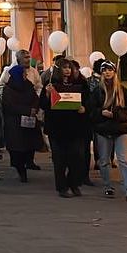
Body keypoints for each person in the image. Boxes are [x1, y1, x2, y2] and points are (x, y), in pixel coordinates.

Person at [89, 61, 127, 201]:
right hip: (103, 129)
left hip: (120, 129)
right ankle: (108, 186)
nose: (107, 72)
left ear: (115, 72)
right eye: (104, 70)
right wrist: (101, 113)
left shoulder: (123, 91)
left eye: (110, 70)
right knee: (104, 160)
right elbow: (90, 111)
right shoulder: (97, 92)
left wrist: (116, 115)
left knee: (123, 159)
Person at [41, 57, 90, 198]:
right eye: (65, 67)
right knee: (60, 159)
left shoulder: (80, 83)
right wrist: (47, 94)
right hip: (57, 127)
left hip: (75, 126)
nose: (68, 70)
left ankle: (74, 184)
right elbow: (43, 104)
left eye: (69, 67)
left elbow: (88, 100)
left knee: (78, 157)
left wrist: (84, 108)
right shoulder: (51, 84)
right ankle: (62, 187)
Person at [1, 64, 41, 182]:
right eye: (23, 74)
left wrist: (34, 108)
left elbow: (35, 98)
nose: (25, 75)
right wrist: (27, 110)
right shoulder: (8, 89)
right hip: (14, 123)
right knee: (17, 149)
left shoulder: (28, 85)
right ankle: (20, 170)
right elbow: (10, 106)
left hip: (28, 122)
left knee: (28, 146)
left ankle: (28, 163)